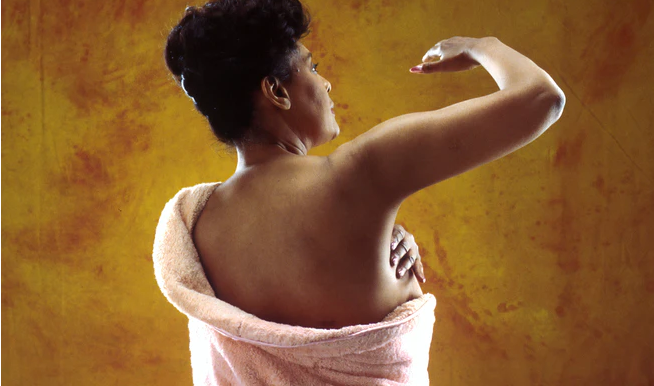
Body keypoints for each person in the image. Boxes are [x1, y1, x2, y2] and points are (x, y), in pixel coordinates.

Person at [157, 0, 564, 381]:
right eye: (312, 68)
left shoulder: (194, 224)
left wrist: (376, 232)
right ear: (276, 91)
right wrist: (481, 45)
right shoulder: (361, 175)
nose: (327, 84)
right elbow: (542, 98)